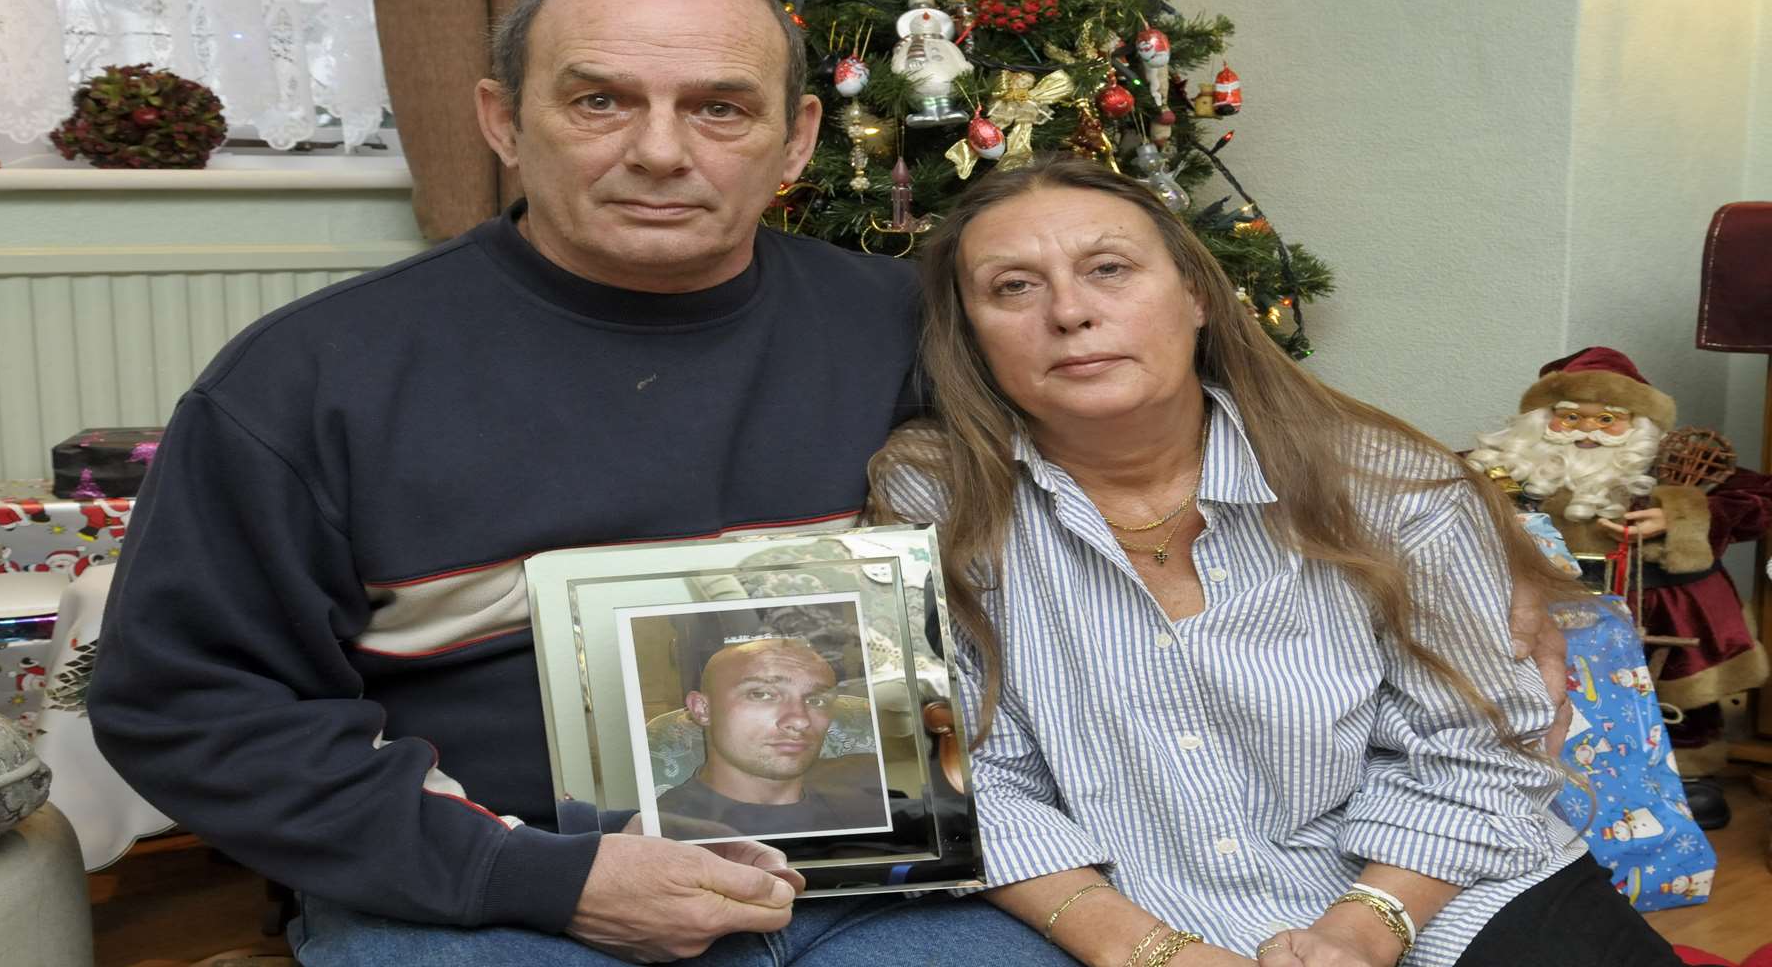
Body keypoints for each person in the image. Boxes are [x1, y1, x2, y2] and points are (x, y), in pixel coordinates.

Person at [87, 0, 1074, 967]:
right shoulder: (307, 378)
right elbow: (188, 703)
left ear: (797, 139)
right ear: (504, 121)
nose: (658, 150)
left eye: (720, 108)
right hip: (493, 889)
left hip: (886, 884)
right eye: (600, 101)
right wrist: (534, 878)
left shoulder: (915, 330)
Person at [868, 155, 1680, 967]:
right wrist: (1149, 952)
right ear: (971, 333)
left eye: (1108, 269)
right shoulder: (931, 497)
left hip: (1443, 887)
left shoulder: (1394, 484)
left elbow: (1484, 743)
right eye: (1014, 286)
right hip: (1135, 914)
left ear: (1196, 296)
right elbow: (967, 777)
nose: (1071, 312)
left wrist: (1364, 930)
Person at [1468, 347, 1772, 820]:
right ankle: (1536, 775)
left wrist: (1677, 514)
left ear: (1637, 422)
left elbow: (1760, 498)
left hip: (1654, 603)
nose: (1587, 430)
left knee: (1674, 692)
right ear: (1541, 420)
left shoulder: (1668, 463)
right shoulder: (1505, 464)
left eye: (1608, 418)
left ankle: (1685, 774)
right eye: (1569, 418)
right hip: (1544, 605)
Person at [660, 638, 887, 837]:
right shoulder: (665, 832)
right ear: (702, 709)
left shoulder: (871, 803)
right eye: (762, 694)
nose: (800, 720)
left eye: (816, 701)